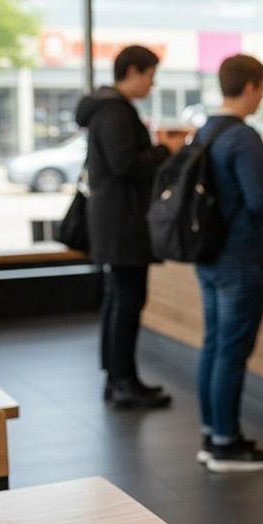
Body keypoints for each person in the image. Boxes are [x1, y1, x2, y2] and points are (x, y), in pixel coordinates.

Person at [194, 54, 263, 473]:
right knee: (232, 351)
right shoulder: (243, 137)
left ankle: (211, 434)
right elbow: (258, 201)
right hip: (240, 256)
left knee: (214, 344)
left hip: (209, 254)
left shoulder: (207, 130)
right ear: (252, 87)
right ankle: (227, 444)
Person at [75, 45, 186, 409]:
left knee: (117, 299)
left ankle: (118, 377)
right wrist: (164, 150)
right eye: (151, 77)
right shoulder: (115, 111)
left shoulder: (106, 109)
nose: (152, 85)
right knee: (126, 300)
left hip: (112, 220)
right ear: (134, 71)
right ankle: (123, 382)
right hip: (122, 223)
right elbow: (126, 164)